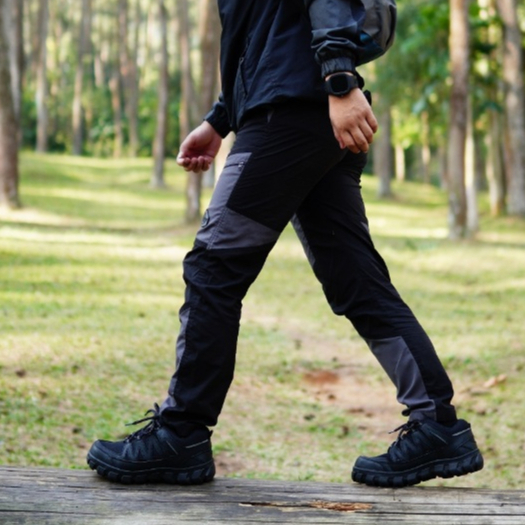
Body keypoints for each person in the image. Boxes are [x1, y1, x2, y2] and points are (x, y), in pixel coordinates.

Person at [87, 0, 484, 488]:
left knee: (214, 267)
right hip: (302, 108)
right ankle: (438, 425)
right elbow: (263, 30)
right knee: (356, 280)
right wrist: (220, 119)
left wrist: (340, 79)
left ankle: (181, 433)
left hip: (292, 113)